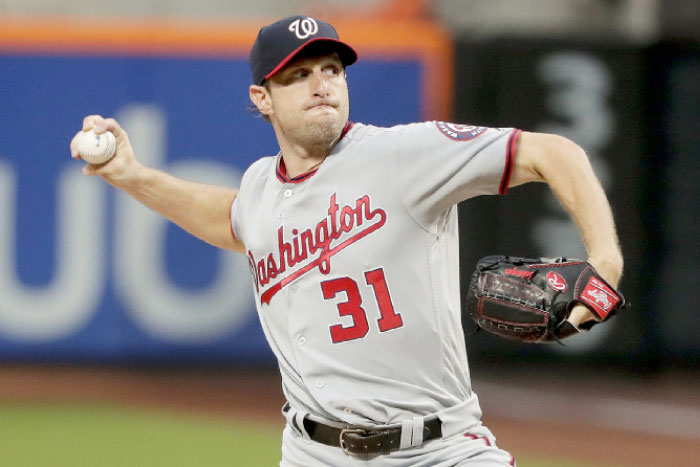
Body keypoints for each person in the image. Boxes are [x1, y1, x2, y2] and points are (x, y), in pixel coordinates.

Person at [70, 15, 623, 467]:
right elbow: (230, 219)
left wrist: (605, 260)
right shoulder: (261, 186)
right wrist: (131, 174)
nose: (322, 84)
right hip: (313, 453)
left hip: (439, 450)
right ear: (262, 98)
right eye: (299, 74)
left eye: (332, 69)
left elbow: (556, 153)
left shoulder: (405, 154)